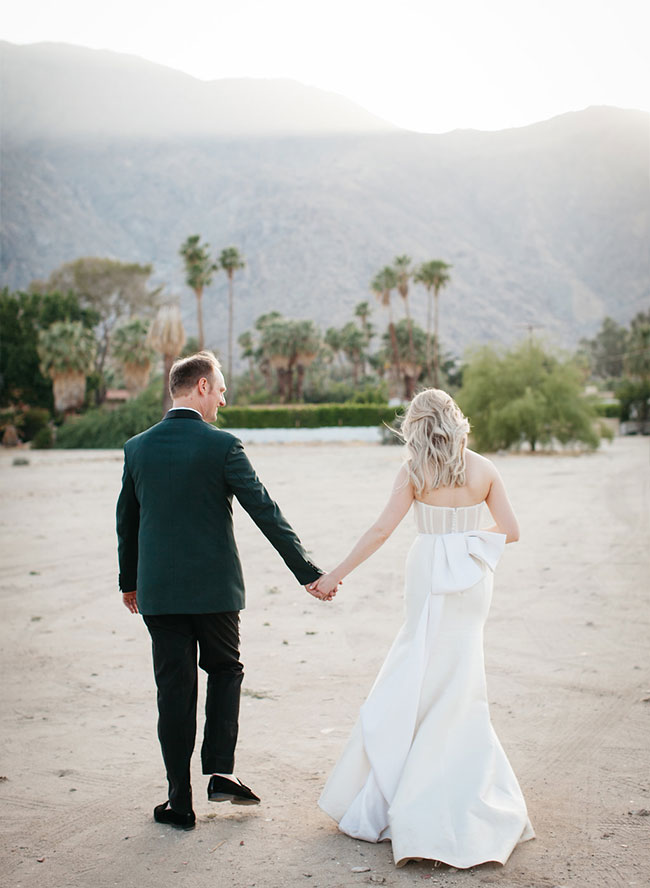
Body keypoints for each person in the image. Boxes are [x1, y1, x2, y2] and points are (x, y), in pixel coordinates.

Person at [313, 388, 534, 867]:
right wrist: (466, 544)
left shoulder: (413, 471)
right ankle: (465, 788)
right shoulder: (485, 469)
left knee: (418, 668)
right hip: (473, 578)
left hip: (428, 573)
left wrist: (335, 574)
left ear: (416, 426)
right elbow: (510, 531)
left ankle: (405, 784)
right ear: (457, 420)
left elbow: (380, 531)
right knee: (462, 678)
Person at [116, 351, 334, 831]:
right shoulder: (223, 446)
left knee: (173, 690)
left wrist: (129, 583)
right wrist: (307, 572)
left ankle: (180, 802)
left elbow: (127, 524)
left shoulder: (137, 448)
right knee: (225, 670)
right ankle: (219, 771)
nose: (223, 398)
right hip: (216, 593)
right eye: (219, 389)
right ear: (199, 388)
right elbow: (266, 512)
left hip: (159, 595)